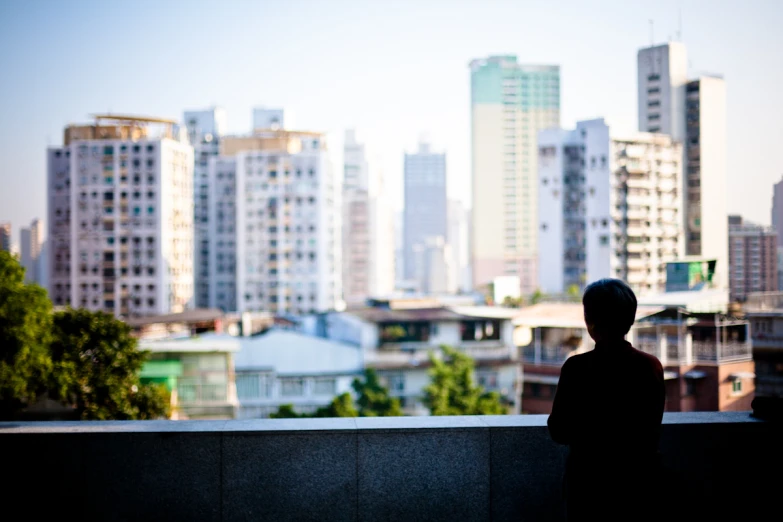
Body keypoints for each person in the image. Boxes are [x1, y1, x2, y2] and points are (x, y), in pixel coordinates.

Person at [548, 278, 665, 521]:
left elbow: (558, 431)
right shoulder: (649, 366)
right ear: (630, 320)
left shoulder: (576, 368)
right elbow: (651, 427)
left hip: (587, 483)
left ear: (589, 323)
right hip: (637, 481)